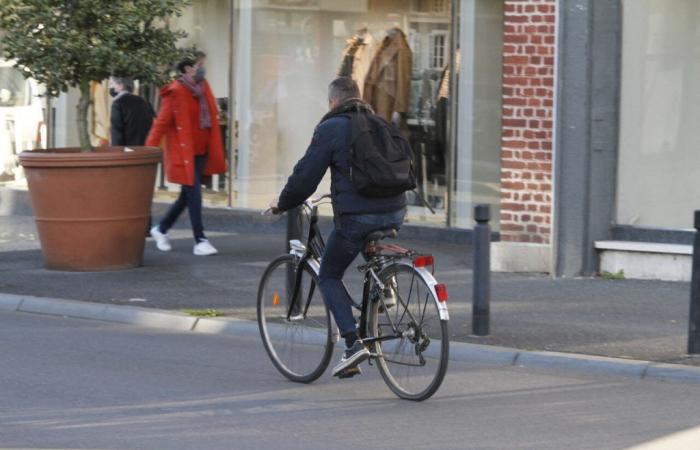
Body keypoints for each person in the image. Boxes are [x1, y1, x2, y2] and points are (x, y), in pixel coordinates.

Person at [270, 77, 407, 377]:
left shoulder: (331, 128)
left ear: (332, 102)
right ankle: (385, 287)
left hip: (358, 218)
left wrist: (283, 203)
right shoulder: (379, 123)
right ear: (358, 97)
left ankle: (353, 344)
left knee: (329, 273)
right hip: (396, 211)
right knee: (369, 238)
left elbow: (306, 175)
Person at [145, 52, 226, 256]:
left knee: (187, 196)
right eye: (199, 65)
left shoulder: (203, 87)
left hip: (201, 151)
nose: (202, 68)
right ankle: (200, 240)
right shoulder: (175, 92)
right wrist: (149, 148)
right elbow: (162, 123)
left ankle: (161, 229)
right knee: (194, 195)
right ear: (187, 69)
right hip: (184, 155)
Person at [108, 76, 154, 146]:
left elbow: (116, 132)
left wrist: (115, 152)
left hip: (126, 151)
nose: (109, 87)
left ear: (121, 86)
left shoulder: (118, 104)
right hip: (144, 148)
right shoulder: (143, 101)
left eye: (111, 84)